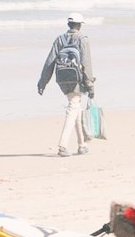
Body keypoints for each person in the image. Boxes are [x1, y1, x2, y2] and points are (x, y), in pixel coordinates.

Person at [37, 13, 101, 156]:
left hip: (61, 79)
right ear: (79, 25)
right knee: (73, 108)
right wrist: (90, 85)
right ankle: (63, 145)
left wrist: (43, 82)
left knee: (75, 106)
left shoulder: (59, 40)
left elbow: (49, 62)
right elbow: (86, 64)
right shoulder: (83, 39)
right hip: (76, 79)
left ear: (68, 25)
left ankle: (81, 144)